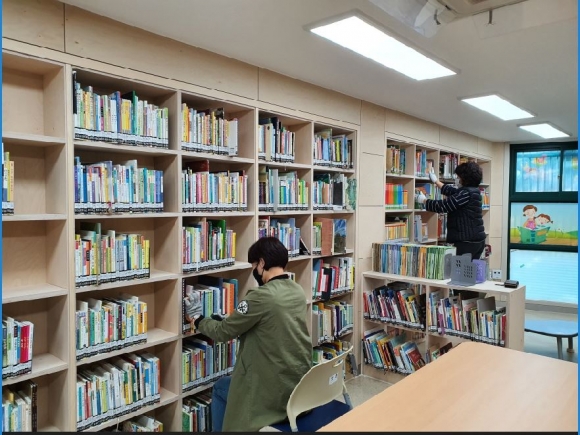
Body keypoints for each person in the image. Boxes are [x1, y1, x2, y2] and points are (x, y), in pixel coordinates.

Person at [189, 237, 312, 432]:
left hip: (271, 393)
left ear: (262, 263)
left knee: (220, 387)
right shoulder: (297, 290)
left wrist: (197, 319)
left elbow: (223, 332)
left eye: (254, 265)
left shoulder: (260, 296)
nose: (254, 271)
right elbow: (269, 324)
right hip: (297, 389)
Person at [415, 161, 486, 260]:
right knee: (470, 269)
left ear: (465, 178)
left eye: (458, 177)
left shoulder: (466, 193)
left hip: (466, 242)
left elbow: (444, 206)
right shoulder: (473, 191)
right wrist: (436, 181)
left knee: (459, 269)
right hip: (476, 241)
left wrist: (424, 200)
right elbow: (453, 192)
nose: (457, 179)